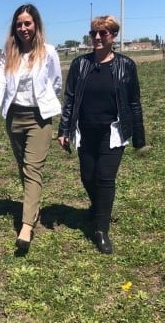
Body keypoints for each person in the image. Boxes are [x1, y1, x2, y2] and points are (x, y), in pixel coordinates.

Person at [57, 15, 145, 254]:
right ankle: (99, 208)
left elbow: (134, 102)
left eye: (102, 33)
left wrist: (139, 136)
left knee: (105, 179)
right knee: (87, 177)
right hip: (85, 130)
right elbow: (70, 100)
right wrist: (63, 130)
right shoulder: (80, 64)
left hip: (113, 131)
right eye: (93, 33)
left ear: (113, 36)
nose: (96, 37)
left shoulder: (126, 65)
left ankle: (101, 229)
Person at [0, 4, 62, 252]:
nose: (23, 28)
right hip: (14, 117)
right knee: (24, 167)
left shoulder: (48, 52)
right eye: (19, 24)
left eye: (27, 23)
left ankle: (27, 225)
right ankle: (33, 206)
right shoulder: (10, 53)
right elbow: (0, 79)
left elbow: (56, 82)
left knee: (32, 168)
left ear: (36, 25)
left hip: (39, 118)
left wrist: (46, 103)